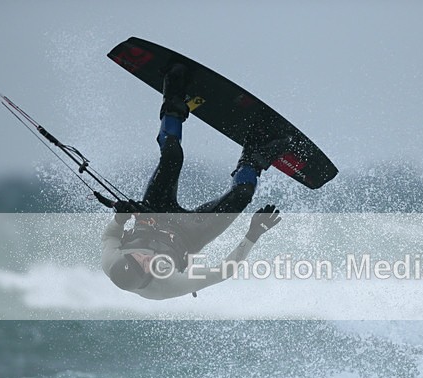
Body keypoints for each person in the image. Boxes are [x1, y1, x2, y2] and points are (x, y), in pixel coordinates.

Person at [101, 64, 288, 299]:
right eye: (146, 266)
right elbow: (224, 272)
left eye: (137, 257)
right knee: (242, 195)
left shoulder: (112, 262)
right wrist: (252, 235)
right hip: (189, 235)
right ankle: (254, 156)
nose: (146, 258)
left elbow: (110, 237)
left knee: (172, 155)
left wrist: (120, 219)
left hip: (153, 214)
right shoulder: (168, 286)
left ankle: (173, 98)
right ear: (146, 280)